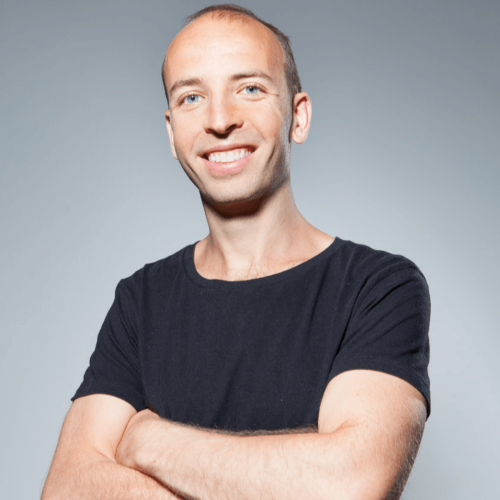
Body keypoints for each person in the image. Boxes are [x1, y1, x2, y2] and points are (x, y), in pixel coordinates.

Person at [41, 4, 431, 500]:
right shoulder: (141, 300)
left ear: (298, 115)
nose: (220, 120)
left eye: (249, 88)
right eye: (192, 97)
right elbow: (68, 487)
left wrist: (151, 442)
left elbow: (350, 484)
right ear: (171, 133)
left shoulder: (378, 287)